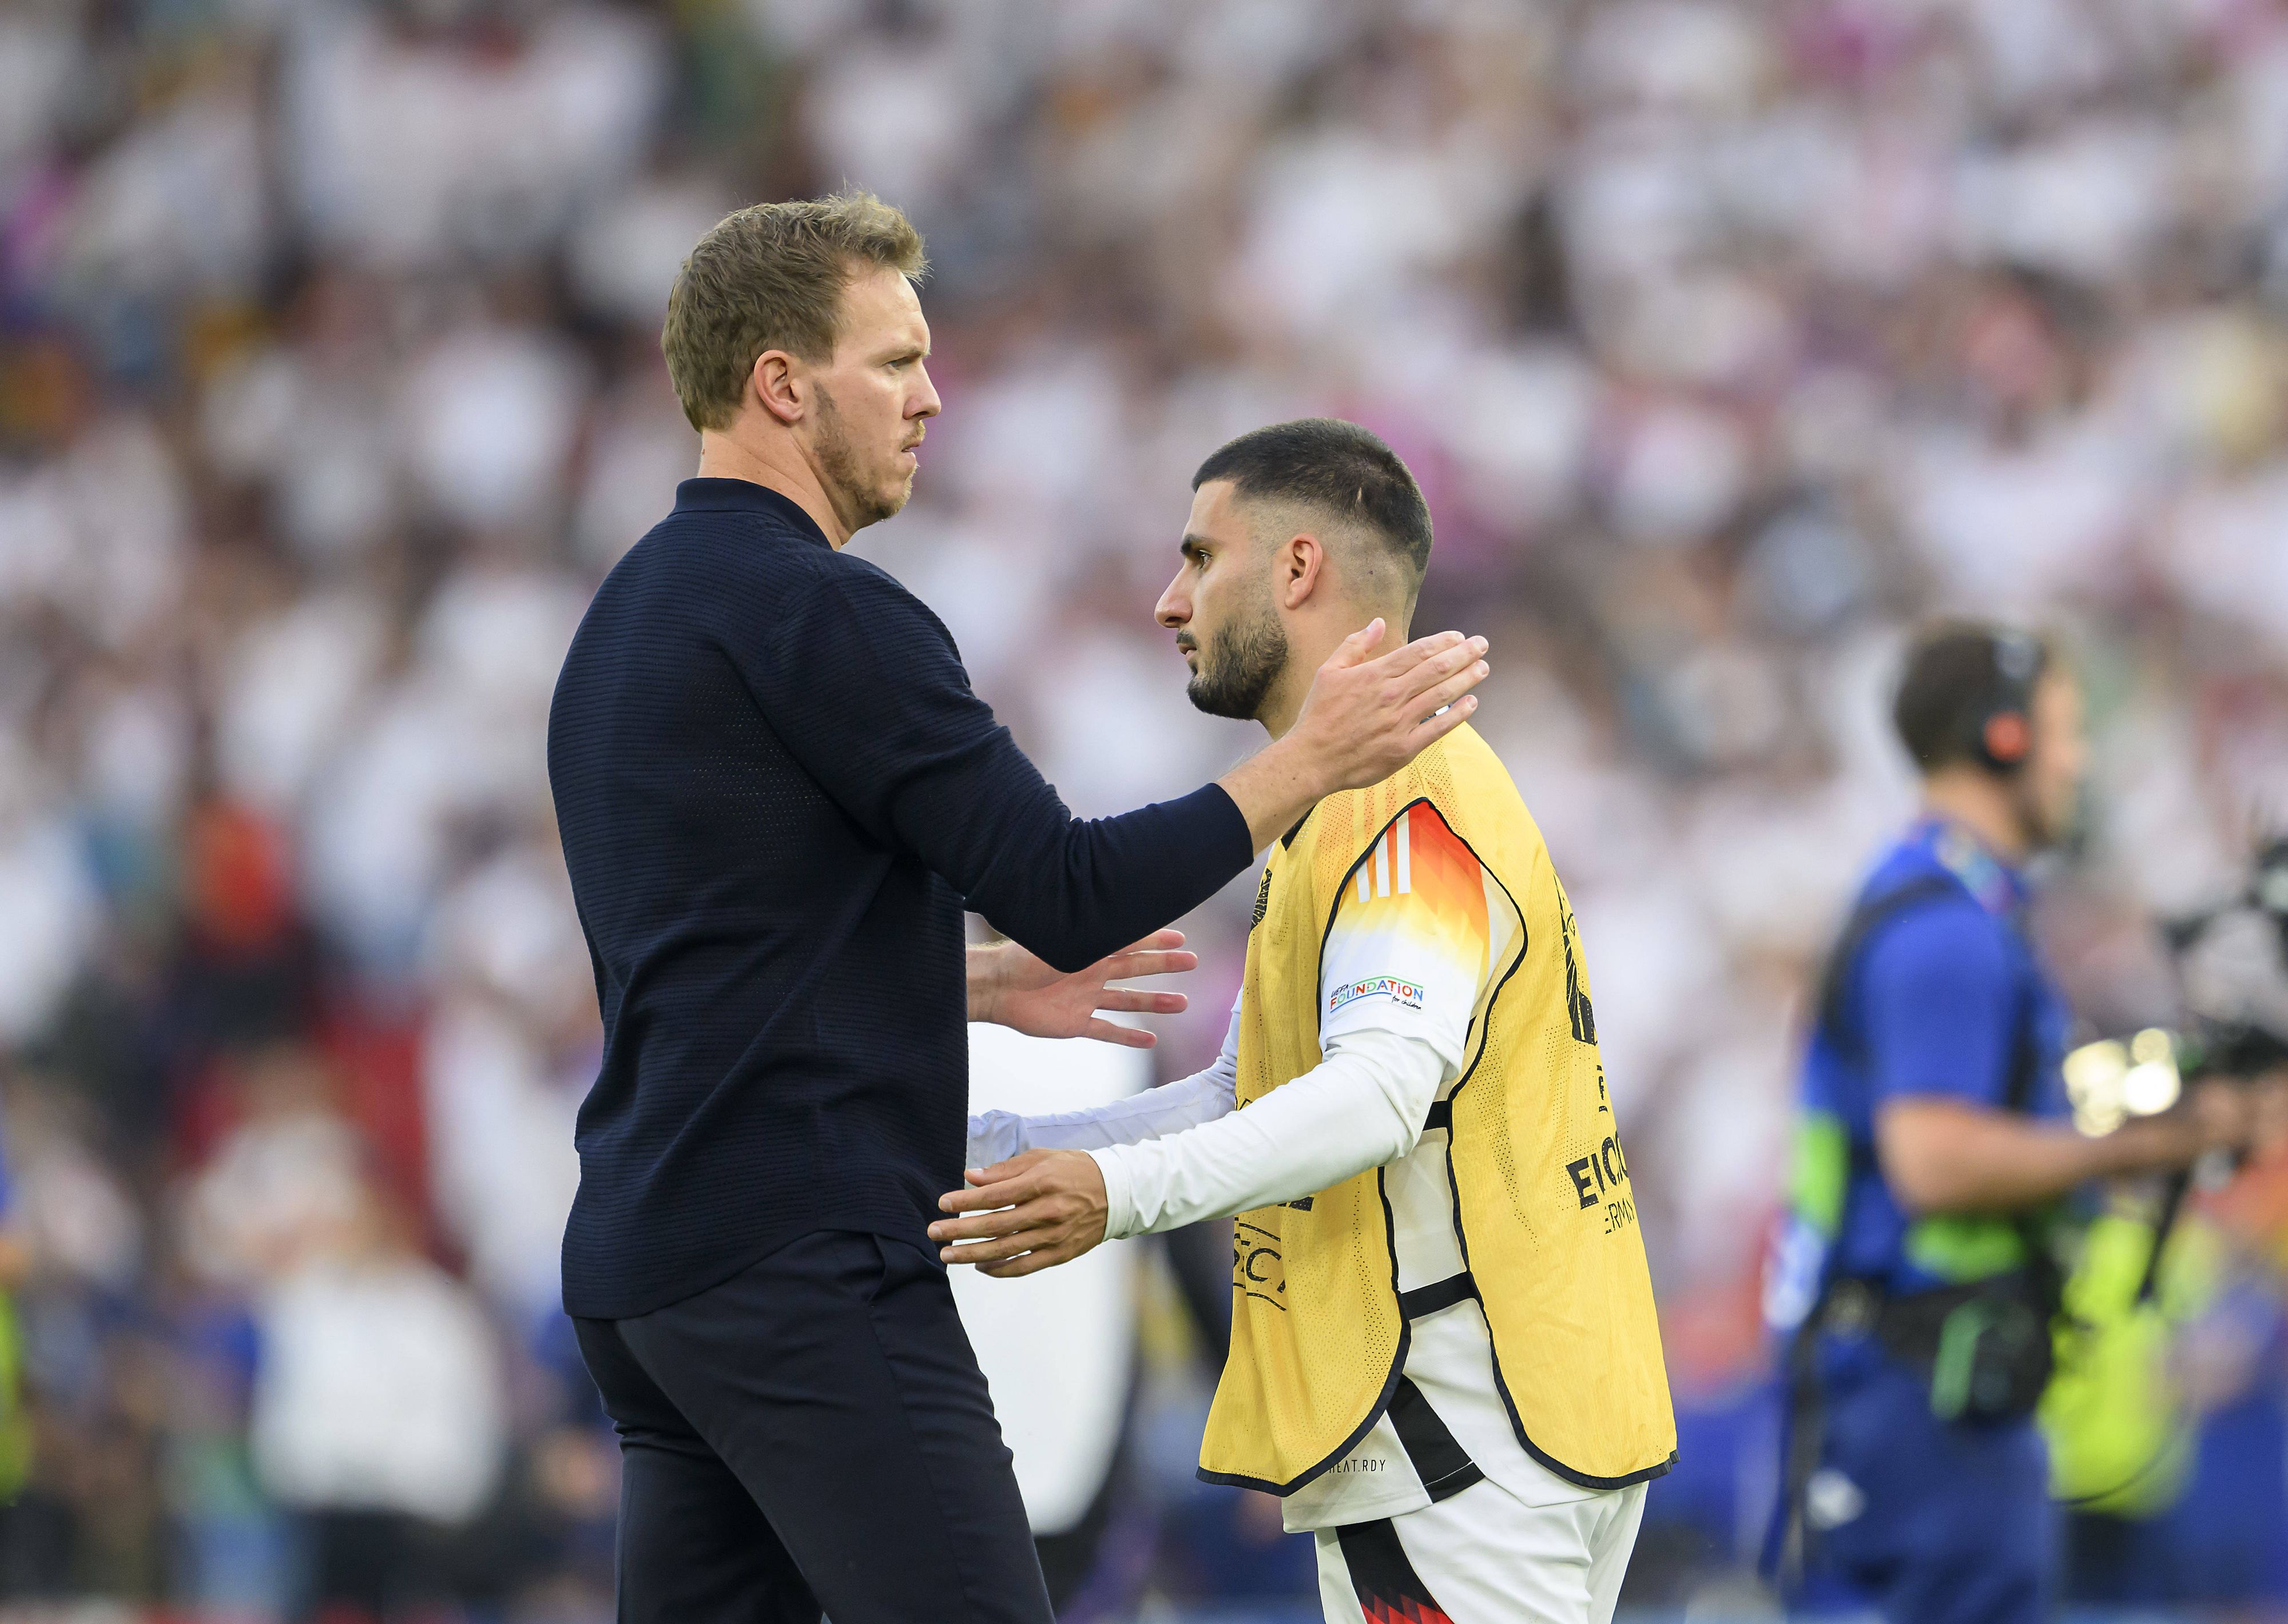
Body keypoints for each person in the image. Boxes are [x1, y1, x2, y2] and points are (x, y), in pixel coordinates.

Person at [544, 196, 1491, 1624]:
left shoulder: (625, 620)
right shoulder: (825, 613)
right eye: (894, 361)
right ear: (780, 385)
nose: (933, 398)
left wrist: (960, 981)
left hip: (650, 1265)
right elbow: (1064, 884)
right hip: (807, 1260)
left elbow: (707, 952)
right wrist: (1310, 759)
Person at [937, 419, 1675, 1624]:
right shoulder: (1338, 798)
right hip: (1517, 1406)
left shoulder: (1399, 793)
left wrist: (1114, 1196)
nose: (1170, 602)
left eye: (1197, 557)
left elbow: (1379, 1093)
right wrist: (1005, 1148)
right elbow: (1255, 1089)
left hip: (1452, 1433)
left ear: (1294, 569)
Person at [1761, 622, 2251, 1624]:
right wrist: (2158, 1144)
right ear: (2003, 738)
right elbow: (1935, 1160)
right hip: (1925, 1390)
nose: (2082, 760)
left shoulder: (1949, 900)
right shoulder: (1944, 929)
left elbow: (2009, 1109)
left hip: (1922, 1379)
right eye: (2067, 730)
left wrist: (2179, 1103)